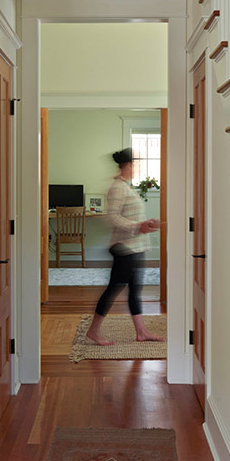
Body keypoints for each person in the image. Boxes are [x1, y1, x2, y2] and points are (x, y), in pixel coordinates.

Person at [85, 148, 164, 345]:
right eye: (135, 164)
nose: (136, 167)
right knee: (113, 289)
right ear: (128, 165)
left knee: (134, 290)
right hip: (125, 248)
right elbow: (112, 217)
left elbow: (129, 216)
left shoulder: (126, 187)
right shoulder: (118, 188)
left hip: (136, 247)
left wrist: (146, 223)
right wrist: (138, 226)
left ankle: (141, 332)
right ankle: (94, 331)